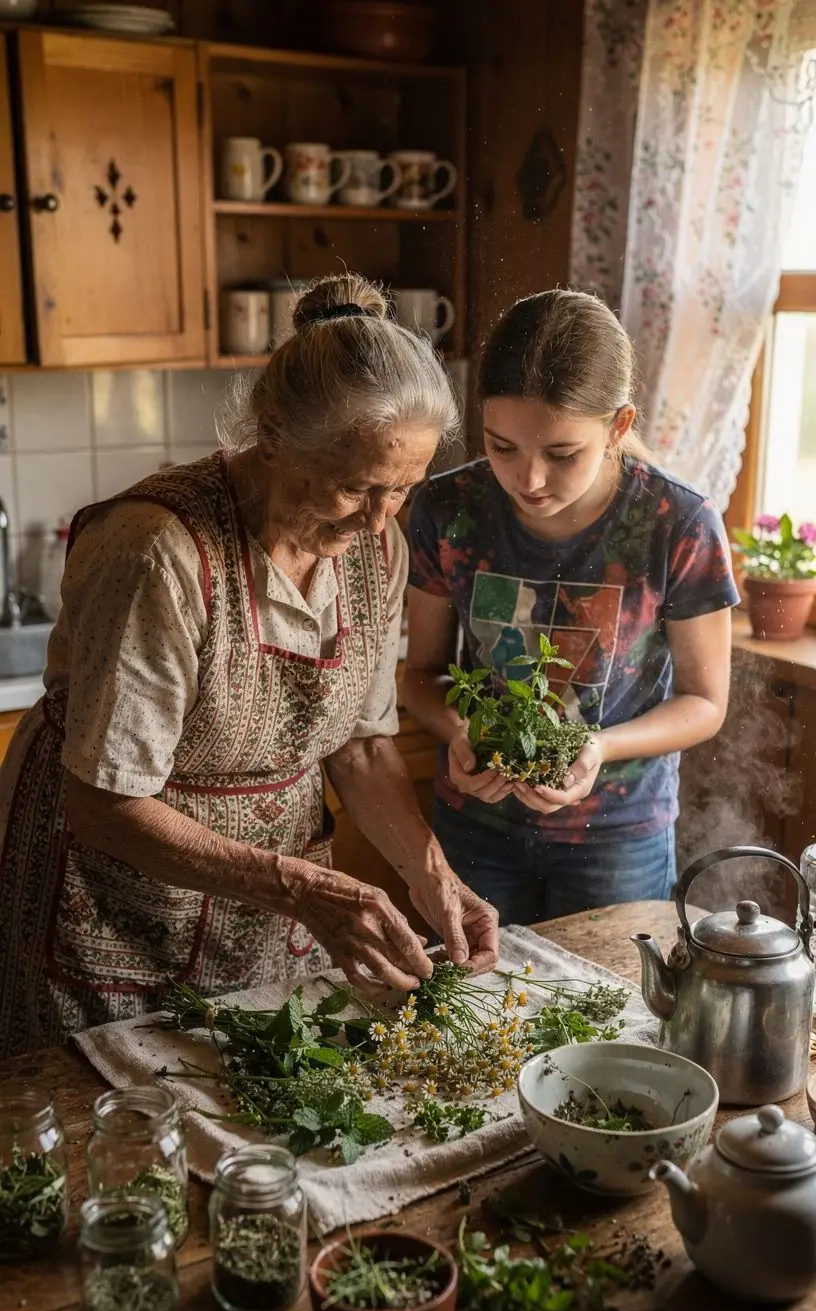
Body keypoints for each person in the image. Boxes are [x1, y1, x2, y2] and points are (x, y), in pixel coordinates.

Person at [0, 274, 499, 1059]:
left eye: (401, 490)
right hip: (106, 913)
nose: (376, 519)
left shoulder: (378, 548)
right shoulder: (156, 552)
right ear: (273, 435)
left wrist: (430, 873)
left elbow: (363, 745)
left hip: (267, 915)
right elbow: (103, 800)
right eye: (355, 486)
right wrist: (302, 888)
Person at [403, 288, 739, 925]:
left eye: (561, 455)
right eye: (502, 447)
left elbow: (704, 703)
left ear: (617, 426)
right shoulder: (447, 509)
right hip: (476, 828)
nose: (528, 480)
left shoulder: (677, 523)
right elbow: (421, 674)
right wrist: (461, 730)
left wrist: (598, 747)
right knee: (469, 1010)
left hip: (618, 836)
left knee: (610, 1016)